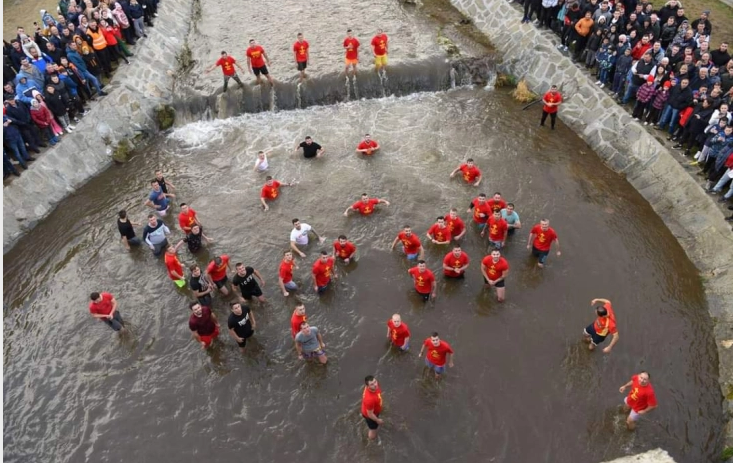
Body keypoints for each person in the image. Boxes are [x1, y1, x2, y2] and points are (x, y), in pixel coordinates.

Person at [361, 375, 384, 441]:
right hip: (370, 415)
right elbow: (370, 414)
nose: (375, 385)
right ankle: (371, 440)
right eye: (372, 384)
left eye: (375, 382)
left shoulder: (374, 387)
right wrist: (378, 420)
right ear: (367, 386)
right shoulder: (369, 400)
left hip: (371, 408)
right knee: (373, 429)